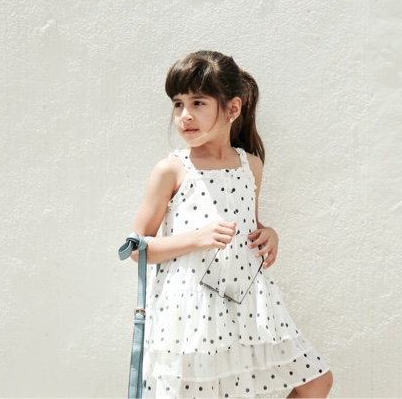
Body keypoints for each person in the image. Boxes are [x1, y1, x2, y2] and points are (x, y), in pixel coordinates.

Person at [129, 50, 333, 398]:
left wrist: (270, 234)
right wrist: (196, 238)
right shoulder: (171, 170)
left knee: (316, 382)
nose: (185, 115)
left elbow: (249, 223)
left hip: (249, 302)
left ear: (232, 108)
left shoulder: (250, 165)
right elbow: (137, 249)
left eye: (198, 103)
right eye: (178, 104)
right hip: (190, 310)